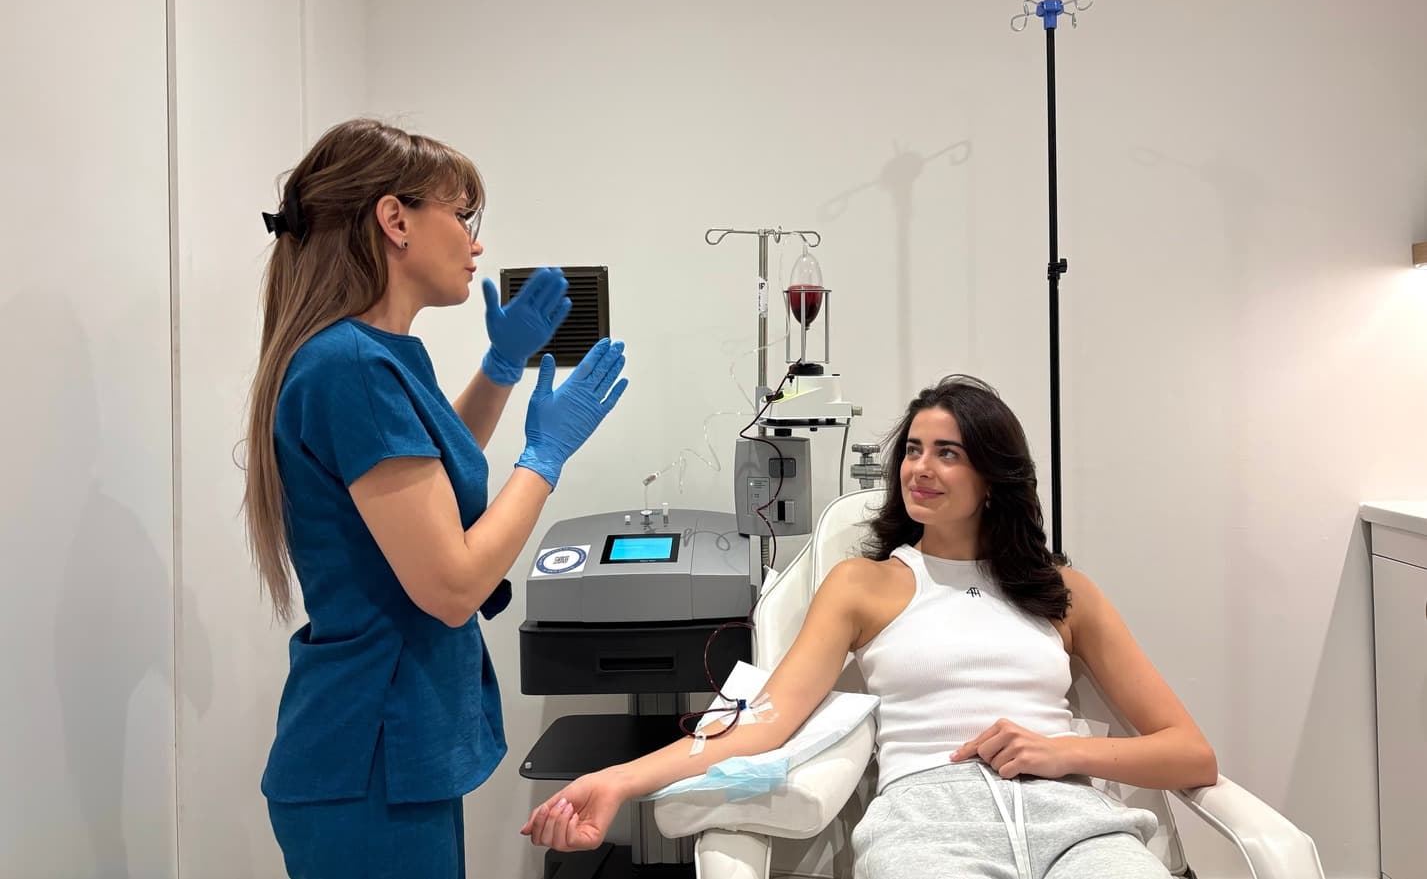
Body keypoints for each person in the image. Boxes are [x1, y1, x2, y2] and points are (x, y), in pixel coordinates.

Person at [521, 375, 1216, 878]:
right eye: (914, 448)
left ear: (994, 475)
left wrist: (1064, 753)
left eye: (948, 451)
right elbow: (763, 721)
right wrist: (616, 780)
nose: (920, 466)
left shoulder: (1064, 592)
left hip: (1076, 825)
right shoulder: (863, 583)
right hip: (927, 824)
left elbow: (1188, 752)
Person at [242, 118, 628, 879]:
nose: (475, 243)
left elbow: (428, 477)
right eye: (462, 215)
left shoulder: (371, 355)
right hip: (367, 755)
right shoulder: (348, 364)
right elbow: (451, 584)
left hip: (385, 744)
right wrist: (544, 458)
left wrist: (501, 365)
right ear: (395, 220)